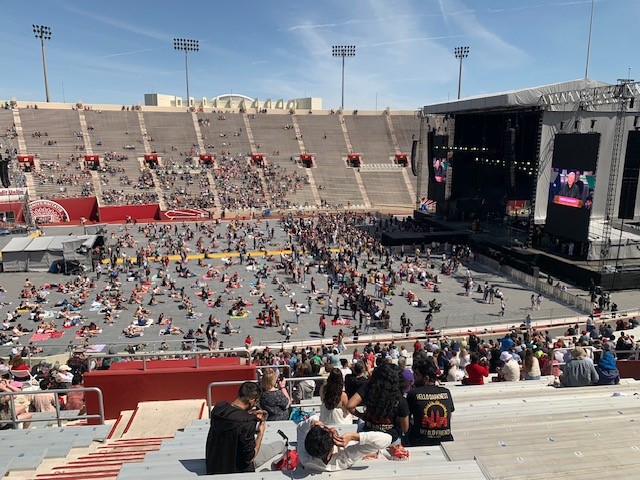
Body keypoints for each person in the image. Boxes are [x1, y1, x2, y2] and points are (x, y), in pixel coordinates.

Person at [206, 381, 285, 474]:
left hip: (214, 466)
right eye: (256, 401)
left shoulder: (219, 408)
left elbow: (233, 418)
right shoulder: (247, 423)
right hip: (235, 470)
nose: (256, 404)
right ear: (251, 400)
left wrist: (250, 415)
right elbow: (250, 457)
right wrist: (260, 433)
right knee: (281, 445)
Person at [346, 362, 409, 445]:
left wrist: (362, 416)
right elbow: (405, 428)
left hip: (368, 436)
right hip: (390, 439)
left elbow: (350, 405)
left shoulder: (368, 388)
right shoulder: (401, 399)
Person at [296, 417, 392, 472]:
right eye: (331, 432)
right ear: (330, 455)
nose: (333, 429)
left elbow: (300, 428)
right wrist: (353, 436)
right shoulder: (346, 456)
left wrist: (312, 422)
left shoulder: (304, 457)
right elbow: (387, 439)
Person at [405, 355, 454, 446]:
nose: (414, 377)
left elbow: (405, 423)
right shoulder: (446, 392)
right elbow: (448, 417)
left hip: (420, 440)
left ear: (426, 378)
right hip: (446, 439)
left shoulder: (413, 393)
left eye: (416, 374)